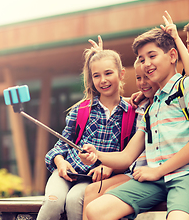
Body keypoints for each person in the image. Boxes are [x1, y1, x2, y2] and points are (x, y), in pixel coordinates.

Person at [79, 28, 189, 220]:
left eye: (152, 56)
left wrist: (158, 170)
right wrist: (96, 155)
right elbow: (127, 157)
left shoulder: (188, 85)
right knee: (96, 210)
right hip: (156, 180)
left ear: (172, 55)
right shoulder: (151, 106)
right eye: (142, 60)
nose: (146, 64)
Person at [36, 44, 135, 220]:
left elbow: (131, 155)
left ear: (121, 74)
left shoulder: (131, 114)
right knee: (53, 202)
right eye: (96, 75)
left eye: (108, 73)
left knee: (76, 201)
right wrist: (60, 163)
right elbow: (61, 145)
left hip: (93, 180)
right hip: (68, 171)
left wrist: (109, 165)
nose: (103, 80)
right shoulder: (82, 109)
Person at [82, 45, 159, 220]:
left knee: (106, 194)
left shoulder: (161, 104)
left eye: (147, 77)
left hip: (147, 173)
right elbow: (115, 101)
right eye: (139, 78)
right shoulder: (141, 107)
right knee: (91, 190)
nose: (143, 82)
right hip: (134, 171)